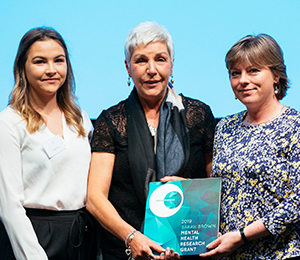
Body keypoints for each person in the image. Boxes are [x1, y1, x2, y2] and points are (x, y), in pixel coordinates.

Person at [86, 21, 216, 260]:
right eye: (141, 60)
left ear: (172, 65)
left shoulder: (199, 115)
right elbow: (95, 199)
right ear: (128, 67)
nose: (151, 69)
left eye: (160, 59)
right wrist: (132, 237)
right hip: (126, 251)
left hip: (189, 251)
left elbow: (216, 189)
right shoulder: (111, 121)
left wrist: (191, 192)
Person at [0, 27, 98, 260]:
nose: (51, 70)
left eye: (59, 60)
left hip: (81, 235)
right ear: (22, 68)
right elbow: (9, 207)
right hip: (35, 236)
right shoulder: (9, 122)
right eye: (40, 62)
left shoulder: (80, 118)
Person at [200, 34, 300, 259]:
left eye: (253, 70)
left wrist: (242, 236)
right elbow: (225, 189)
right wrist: (187, 189)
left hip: (279, 254)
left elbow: (297, 203)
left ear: (276, 75)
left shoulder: (295, 126)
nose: (243, 80)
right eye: (235, 73)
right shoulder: (225, 126)